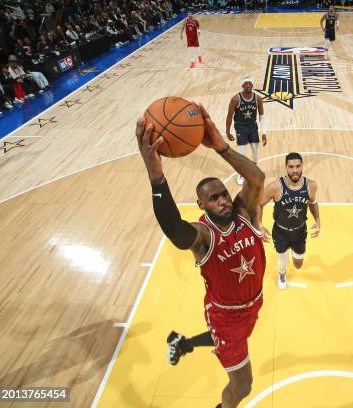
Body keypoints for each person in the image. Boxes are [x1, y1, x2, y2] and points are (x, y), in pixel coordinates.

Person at [136, 104, 266, 408]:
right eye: (214, 198)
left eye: (223, 194)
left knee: (230, 344)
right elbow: (175, 229)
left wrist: (221, 146)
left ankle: (183, 343)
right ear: (202, 205)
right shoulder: (204, 236)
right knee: (243, 386)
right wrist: (157, 178)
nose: (222, 200)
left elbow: (257, 179)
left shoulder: (243, 210)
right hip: (226, 315)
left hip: (253, 302)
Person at [257, 153, 320, 289]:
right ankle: (282, 273)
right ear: (286, 167)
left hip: (300, 231)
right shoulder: (275, 187)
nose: (295, 170)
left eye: (297, 166)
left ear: (302, 166)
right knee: (282, 259)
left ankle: (294, 252)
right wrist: (259, 225)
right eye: (291, 167)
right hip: (281, 231)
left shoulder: (311, 186)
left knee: (298, 265)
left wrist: (318, 220)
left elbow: (313, 202)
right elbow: (259, 204)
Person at [225, 77, 267, 185]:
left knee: (255, 151)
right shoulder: (236, 99)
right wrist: (227, 131)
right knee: (241, 153)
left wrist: (264, 133)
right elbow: (229, 116)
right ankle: (241, 174)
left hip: (252, 126)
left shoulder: (258, 99)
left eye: (249, 83)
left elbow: (262, 116)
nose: (248, 85)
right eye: (245, 84)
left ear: (252, 86)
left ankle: (254, 170)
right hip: (240, 127)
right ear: (242, 86)